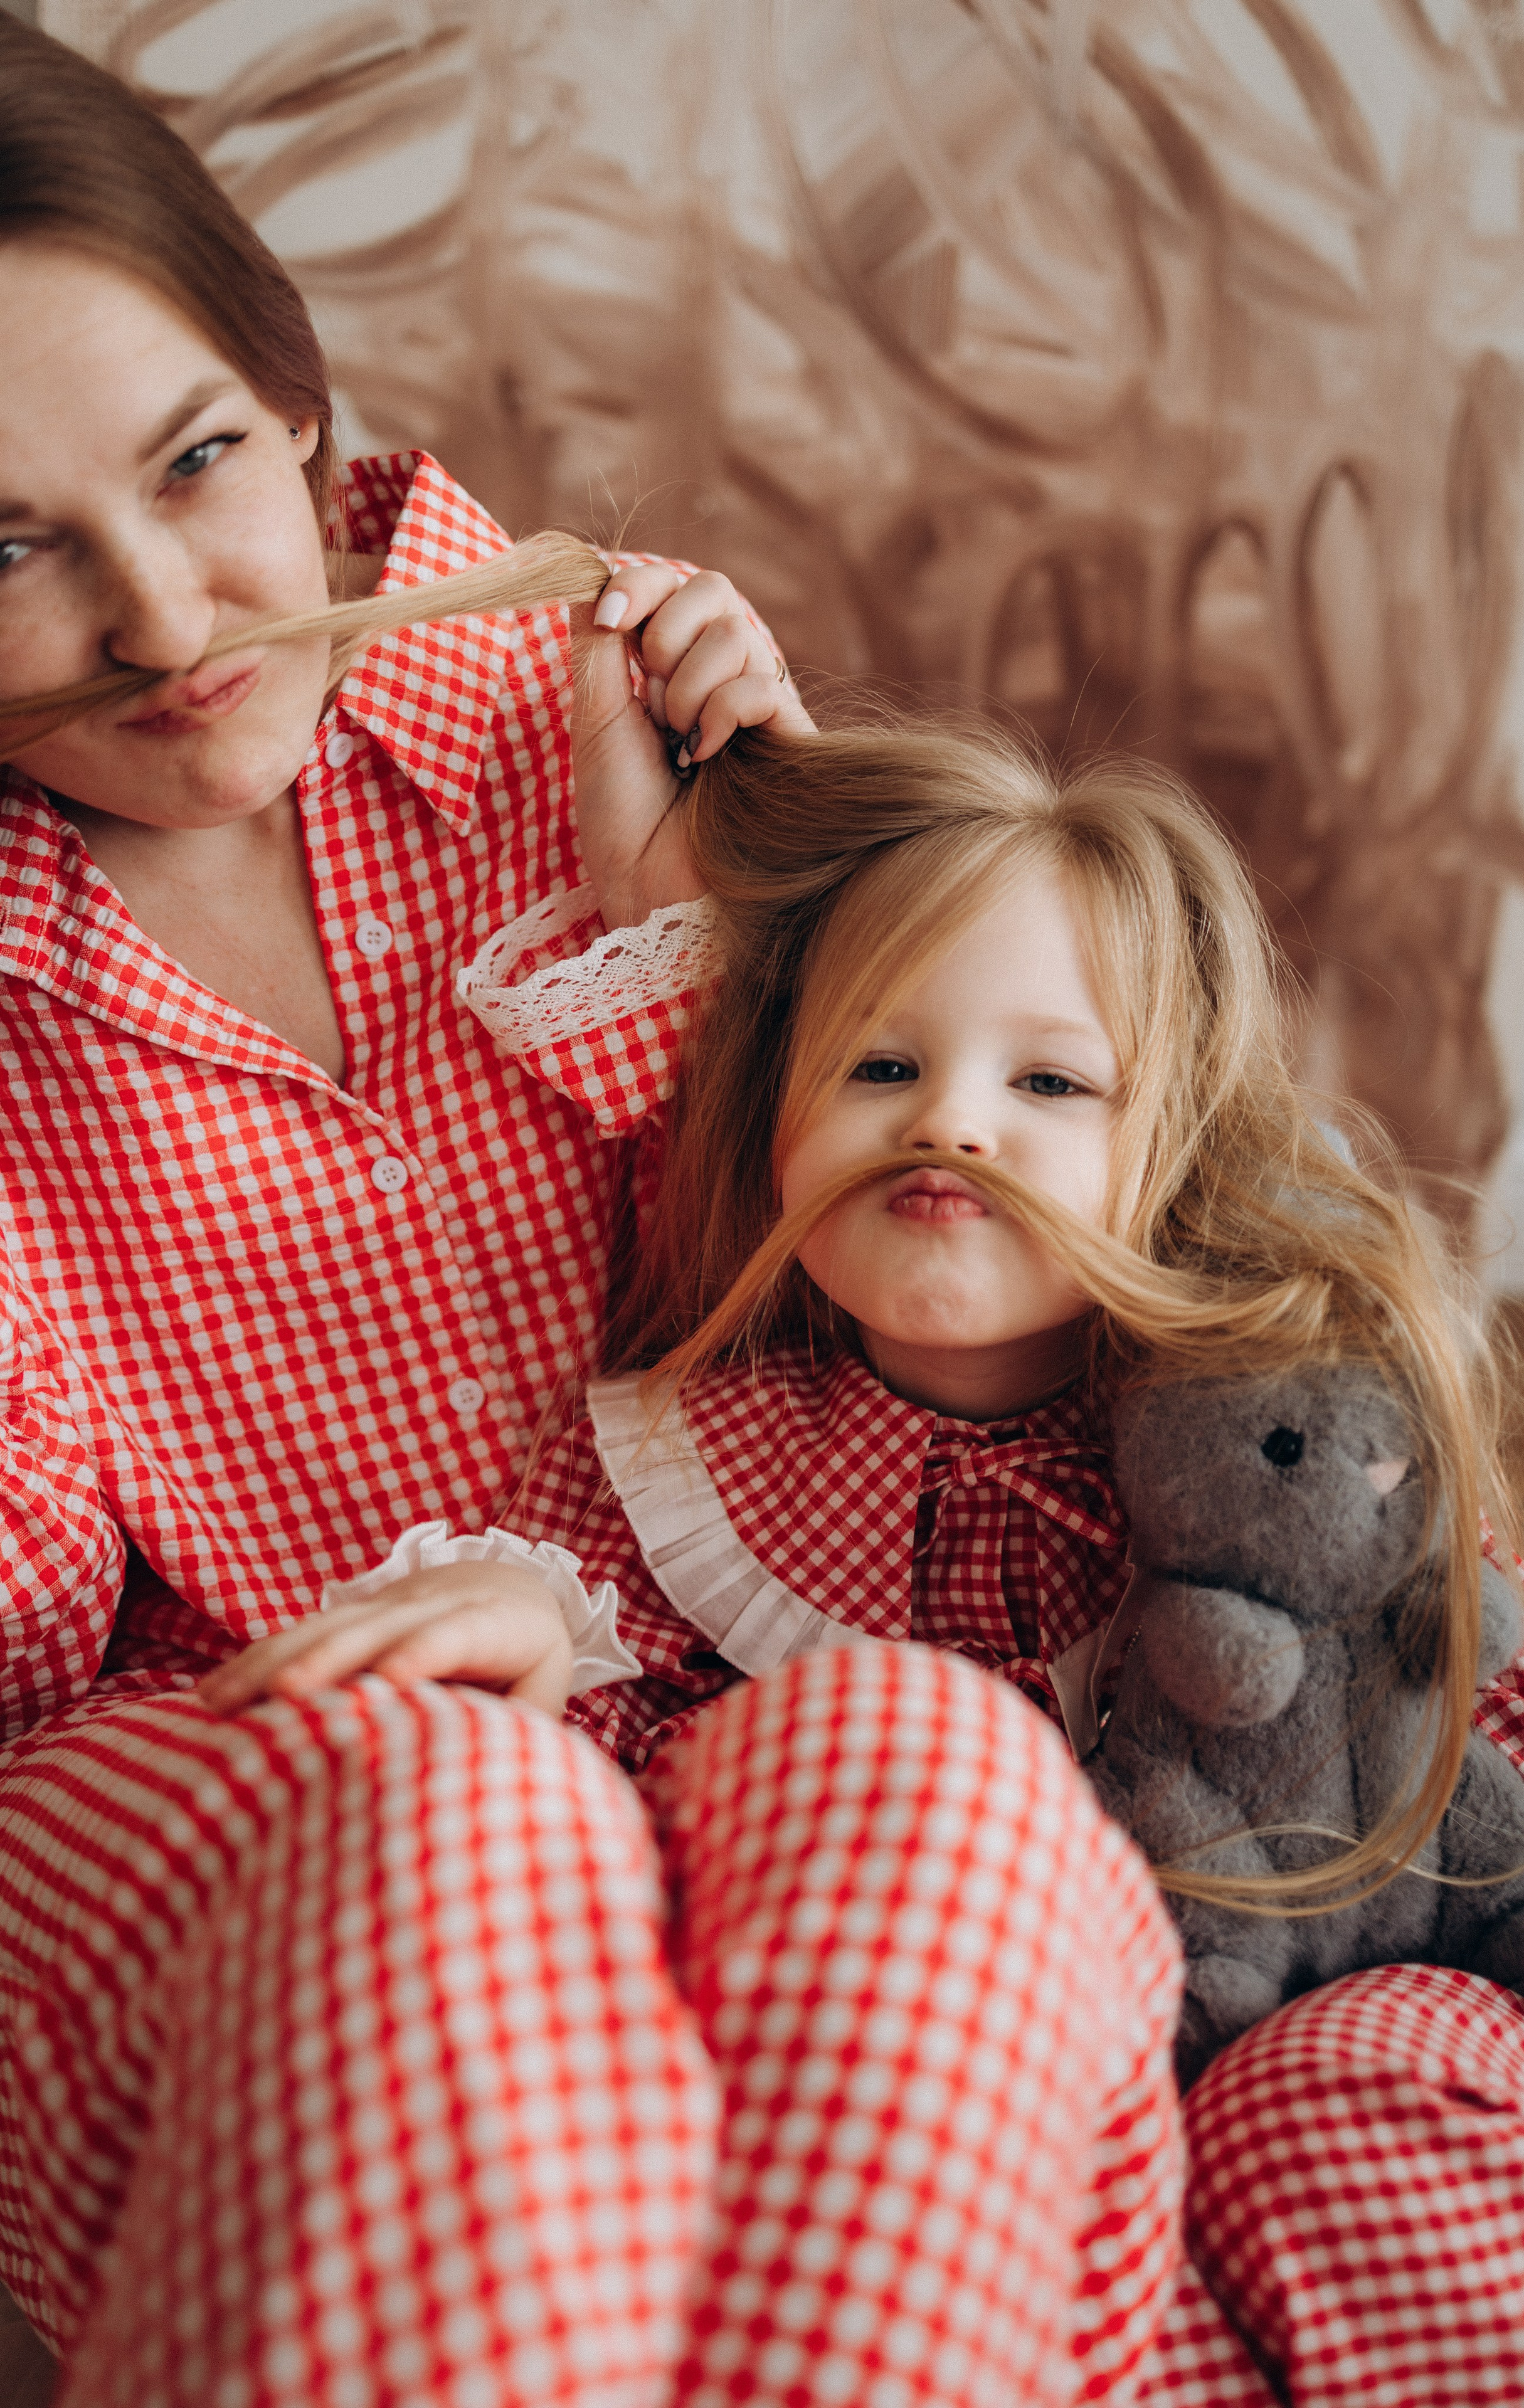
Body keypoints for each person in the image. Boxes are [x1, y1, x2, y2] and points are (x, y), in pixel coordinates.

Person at [0, 21, 1182, 2406]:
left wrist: (717, 941)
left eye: (197, 459)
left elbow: (929, 1293)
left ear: (293, 399)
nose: (164, 621)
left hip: (730, 1681)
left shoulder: (583, 708)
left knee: (949, 1777)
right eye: (2, 549)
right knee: (463, 1814)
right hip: (249, 1746)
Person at [213, 697, 1524, 2405]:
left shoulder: (1276, 1428)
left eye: (1049, 1081)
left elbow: (1508, 1688)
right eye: (883, 1068)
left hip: (1346, 1988)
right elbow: (610, 1754)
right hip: (970, 2108)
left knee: (1370, 2129)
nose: (953, 1122)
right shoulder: (697, 1464)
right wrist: (523, 1624)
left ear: (1169, 1141)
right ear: (775, 1115)